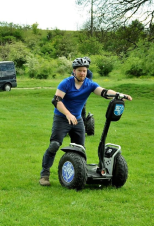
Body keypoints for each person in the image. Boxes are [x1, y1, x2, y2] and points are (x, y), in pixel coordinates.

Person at [39, 57, 133, 186]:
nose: (82, 73)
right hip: (62, 118)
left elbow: (104, 92)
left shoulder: (90, 84)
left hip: (77, 120)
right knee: (54, 145)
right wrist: (68, 114)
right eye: (79, 71)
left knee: (80, 149)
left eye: (84, 70)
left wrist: (119, 95)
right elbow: (56, 101)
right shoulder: (66, 83)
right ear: (74, 71)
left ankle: (78, 175)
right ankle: (44, 174)